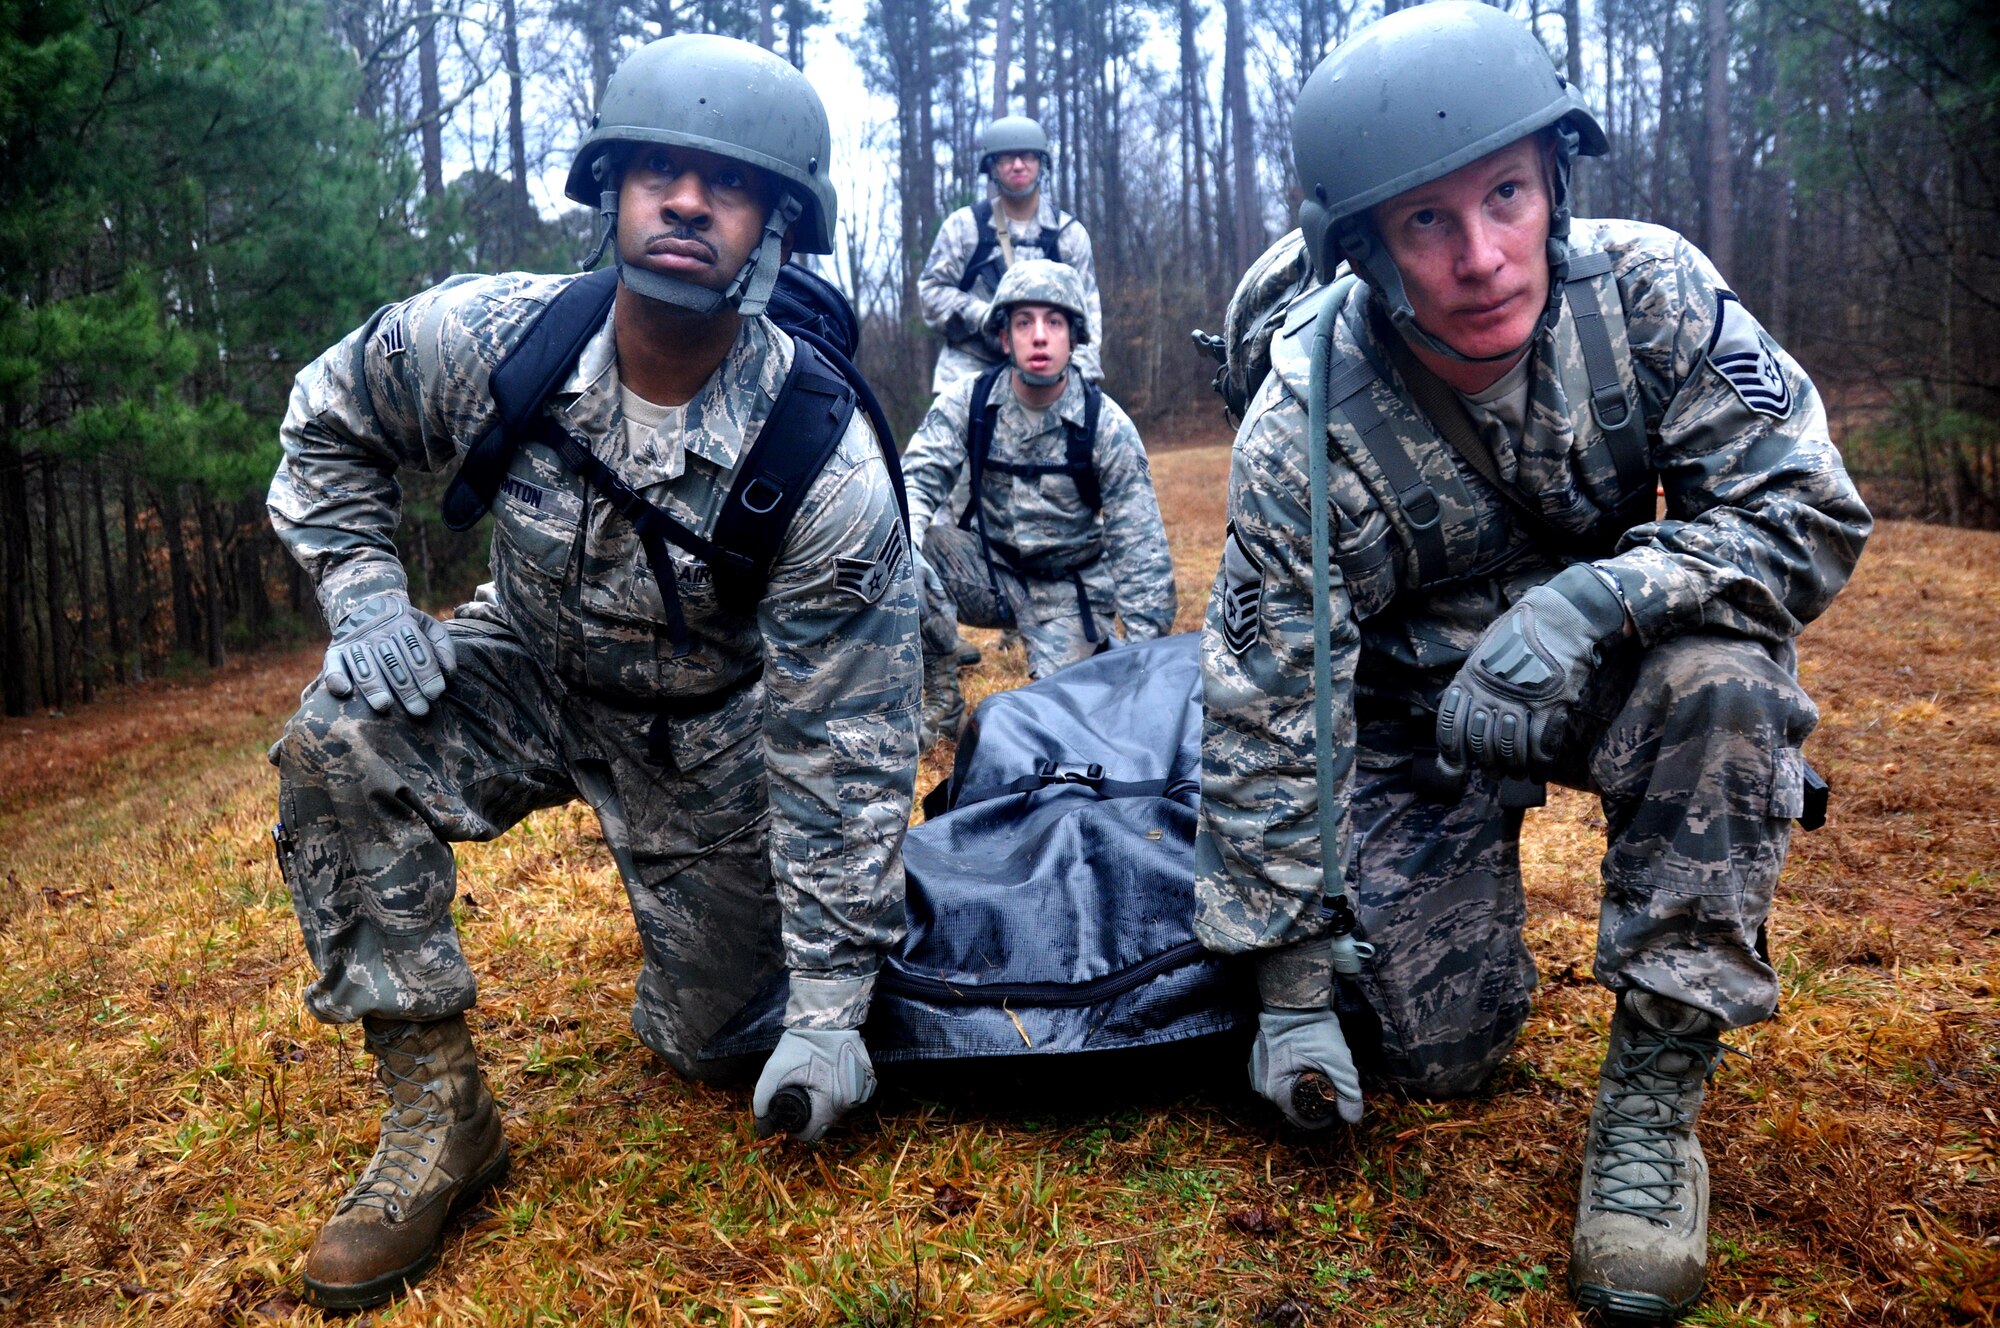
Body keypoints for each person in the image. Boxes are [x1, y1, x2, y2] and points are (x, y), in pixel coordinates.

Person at [1193, 4, 1869, 1322]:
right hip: (1409, 723)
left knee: (1727, 681)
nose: (1485, 257)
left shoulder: (1653, 293)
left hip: (1605, 667)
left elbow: (1810, 513)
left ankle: (1649, 1127)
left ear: (1554, 178)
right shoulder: (1303, 422)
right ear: (1370, 252)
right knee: (1442, 1060)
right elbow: (1275, 702)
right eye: (1426, 223)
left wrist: (1598, 601)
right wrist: (1284, 987)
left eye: (1505, 194)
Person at [266, 34, 920, 1310]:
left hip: (709, 732)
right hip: (525, 660)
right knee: (340, 738)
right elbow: (325, 422)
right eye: (659, 171)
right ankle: (439, 1120)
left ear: (776, 224)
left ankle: (778, 971)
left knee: (717, 1045)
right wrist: (362, 593)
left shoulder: (826, 466)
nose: (686, 201)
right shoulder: (486, 337)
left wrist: (832, 1007)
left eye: (725, 185)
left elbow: (842, 750)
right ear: (609, 189)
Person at [902, 259, 1174, 750]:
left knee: (1066, 727)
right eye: (1024, 322)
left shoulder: (1106, 426)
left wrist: (1144, 670)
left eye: (1054, 322)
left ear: (1073, 336)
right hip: (986, 570)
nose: (1040, 336)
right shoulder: (967, 403)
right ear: (1004, 338)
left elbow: (1142, 555)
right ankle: (940, 705)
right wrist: (905, 552)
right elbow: (913, 485)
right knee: (900, 548)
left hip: (1068, 587)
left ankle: (1098, 662)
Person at [918, 116, 1105, 394]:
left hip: (1049, 369)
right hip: (973, 366)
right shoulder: (964, 228)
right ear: (992, 167)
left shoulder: (1069, 235)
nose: (1018, 165)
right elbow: (930, 294)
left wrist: (1079, 378)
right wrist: (986, 317)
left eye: (1027, 156)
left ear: (1041, 163)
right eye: (1006, 158)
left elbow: (1088, 317)